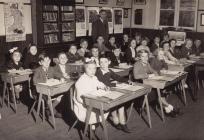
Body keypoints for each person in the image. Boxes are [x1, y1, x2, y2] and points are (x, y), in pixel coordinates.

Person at [133, 51, 180, 117]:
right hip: (141, 86)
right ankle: (171, 107)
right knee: (157, 92)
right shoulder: (137, 64)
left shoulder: (147, 63)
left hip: (148, 83)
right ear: (140, 57)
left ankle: (167, 109)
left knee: (159, 90)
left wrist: (156, 75)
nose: (145, 58)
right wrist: (148, 76)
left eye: (146, 56)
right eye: (143, 56)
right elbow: (136, 76)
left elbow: (153, 71)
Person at [74, 61, 109, 137]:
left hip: (93, 100)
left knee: (105, 107)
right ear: (85, 69)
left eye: (94, 68)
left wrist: (104, 86)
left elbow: (99, 83)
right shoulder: (80, 81)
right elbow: (79, 98)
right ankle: (90, 128)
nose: (92, 71)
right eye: (89, 69)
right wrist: (89, 102)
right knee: (96, 111)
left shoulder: (94, 77)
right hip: (83, 104)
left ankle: (92, 127)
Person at [95, 56, 130, 133]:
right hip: (100, 93)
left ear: (109, 62)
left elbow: (117, 77)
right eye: (101, 62)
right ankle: (118, 121)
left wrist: (127, 81)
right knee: (117, 101)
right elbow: (104, 83)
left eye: (105, 62)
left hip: (108, 91)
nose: (103, 64)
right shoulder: (98, 72)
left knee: (121, 101)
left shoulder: (109, 70)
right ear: (99, 64)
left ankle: (121, 122)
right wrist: (115, 85)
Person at [33, 53, 62, 118]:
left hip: (50, 89)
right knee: (48, 98)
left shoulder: (51, 68)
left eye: (48, 61)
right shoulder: (38, 70)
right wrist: (45, 81)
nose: (47, 63)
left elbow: (58, 75)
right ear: (40, 63)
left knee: (61, 95)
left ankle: (48, 109)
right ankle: (53, 112)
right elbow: (34, 81)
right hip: (40, 91)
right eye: (44, 61)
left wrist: (61, 78)